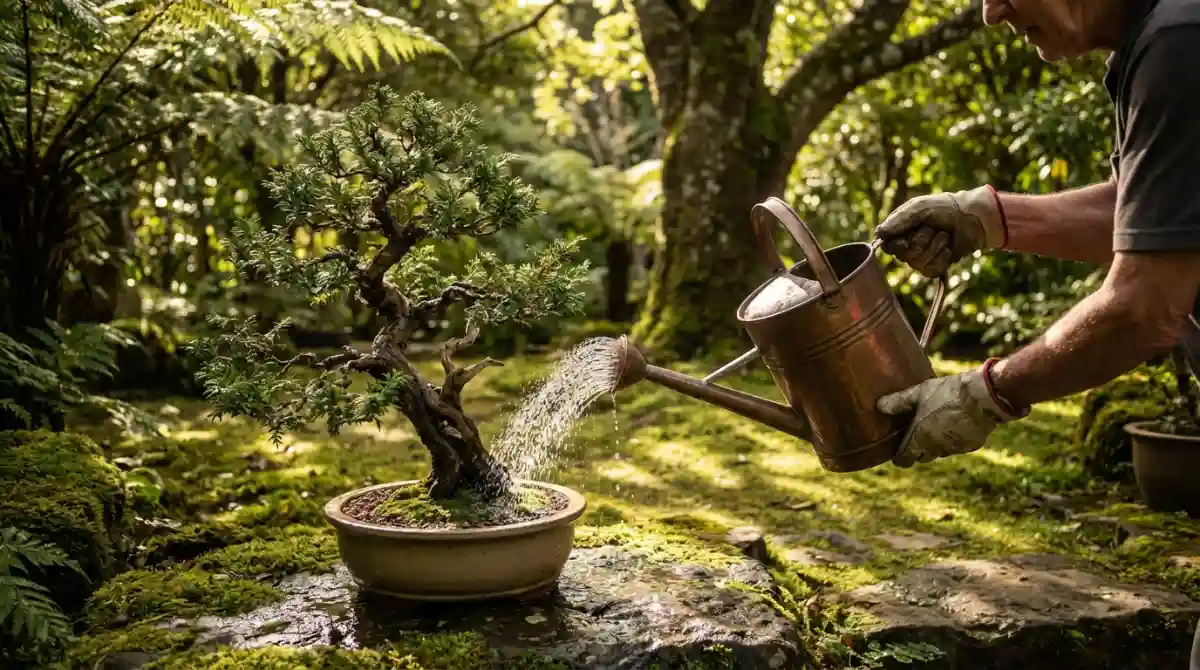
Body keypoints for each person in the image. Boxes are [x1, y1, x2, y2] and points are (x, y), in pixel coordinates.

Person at [872, 0, 1200, 665]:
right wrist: (985, 218)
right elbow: (1152, 207)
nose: (992, 12)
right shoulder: (1164, 34)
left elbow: (1145, 307)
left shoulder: (1181, 42)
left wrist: (985, 393)